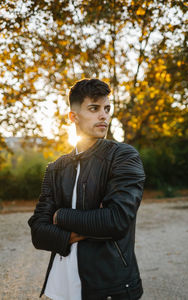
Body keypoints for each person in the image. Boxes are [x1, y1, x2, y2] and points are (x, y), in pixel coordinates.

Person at [28, 78, 145, 300]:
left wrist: (60, 215)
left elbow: (117, 220)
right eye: (94, 108)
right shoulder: (56, 167)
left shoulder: (124, 156)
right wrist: (93, 223)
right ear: (73, 116)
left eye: (107, 109)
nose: (104, 116)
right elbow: (37, 232)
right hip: (60, 287)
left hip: (109, 286)